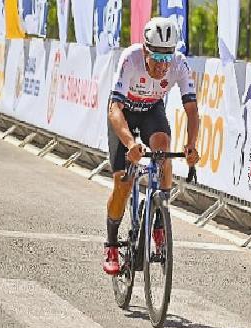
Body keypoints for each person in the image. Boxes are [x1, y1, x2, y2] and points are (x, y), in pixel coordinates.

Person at [103, 17, 200, 275]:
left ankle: (159, 221)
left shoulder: (179, 63)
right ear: (146, 50)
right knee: (122, 186)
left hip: (150, 111)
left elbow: (192, 109)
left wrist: (191, 146)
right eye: (157, 58)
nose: (162, 66)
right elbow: (114, 109)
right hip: (125, 113)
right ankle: (111, 245)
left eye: (167, 59)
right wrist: (130, 143)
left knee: (163, 147)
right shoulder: (131, 58)